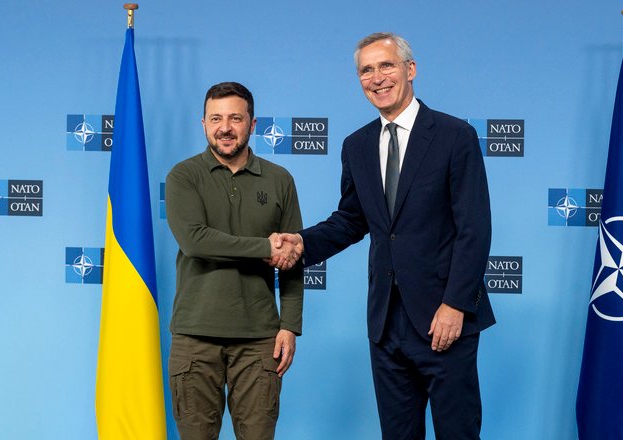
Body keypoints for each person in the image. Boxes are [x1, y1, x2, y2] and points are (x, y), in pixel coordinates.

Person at [273, 33, 495, 439]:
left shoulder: (453, 135)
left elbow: (474, 228)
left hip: (444, 319)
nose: (377, 77)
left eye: (386, 65)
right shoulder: (356, 145)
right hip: (385, 323)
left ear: (411, 70)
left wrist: (455, 304)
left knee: (458, 432)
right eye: (366, 70)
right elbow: (351, 220)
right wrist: (304, 243)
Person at [165, 81, 303, 440]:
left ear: (252, 124)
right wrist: (264, 248)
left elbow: (292, 257)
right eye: (216, 118)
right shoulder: (183, 176)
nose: (225, 127)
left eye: (235, 118)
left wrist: (289, 324)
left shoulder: (280, 180)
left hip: (259, 339)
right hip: (195, 337)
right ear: (204, 124)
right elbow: (195, 240)